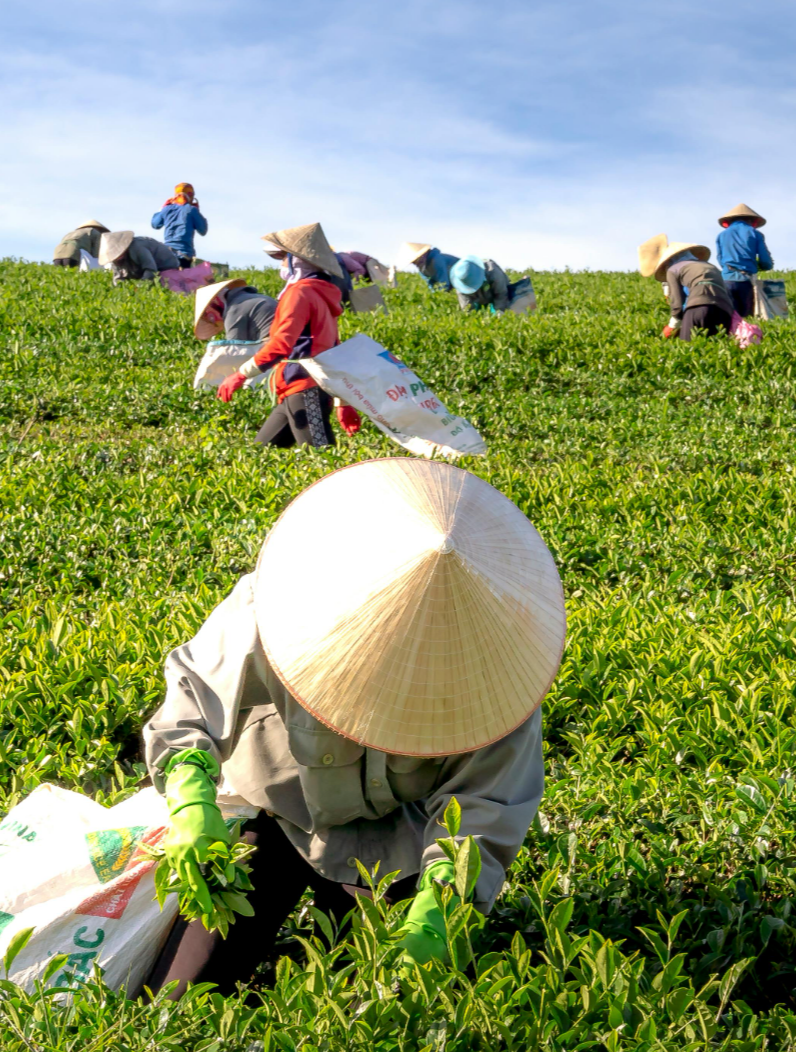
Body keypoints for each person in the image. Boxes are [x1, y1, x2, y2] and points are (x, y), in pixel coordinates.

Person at [140, 455, 565, 994]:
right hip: (276, 809)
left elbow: (483, 810)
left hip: (397, 838)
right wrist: (191, 798)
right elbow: (193, 700)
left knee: (390, 1005)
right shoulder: (273, 603)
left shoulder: (503, 681)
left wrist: (441, 901)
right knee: (178, 996)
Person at [216, 224, 361, 448]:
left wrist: (240, 374)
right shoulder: (321, 294)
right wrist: (343, 402)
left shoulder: (300, 293)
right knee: (261, 452)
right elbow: (334, 350)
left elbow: (282, 344)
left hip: (306, 388)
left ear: (298, 261)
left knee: (322, 458)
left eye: (285, 258)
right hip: (296, 389)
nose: (283, 265)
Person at [638, 233, 735, 339]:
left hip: (698, 308)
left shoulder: (673, 269)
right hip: (725, 311)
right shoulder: (710, 266)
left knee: (688, 347)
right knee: (716, 348)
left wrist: (672, 326)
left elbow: (677, 304)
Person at [713, 203, 774, 318]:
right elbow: (765, 261)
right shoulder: (755, 233)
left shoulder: (721, 235)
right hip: (745, 281)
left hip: (726, 280)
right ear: (751, 220)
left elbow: (720, 259)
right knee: (745, 317)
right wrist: (763, 266)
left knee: (731, 317)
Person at [193, 278, 279, 346]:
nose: (213, 321)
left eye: (206, 315)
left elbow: (234, 351)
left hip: (274, 350)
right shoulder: (252, 297)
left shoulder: (234, 310)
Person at [151, 184, 208, 267]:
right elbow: (203, 230)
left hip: (167, 254)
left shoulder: (167, 209)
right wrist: (197, 213)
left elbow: (155, 224)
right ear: (190, 195)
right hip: (185, 256)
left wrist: (162, 208)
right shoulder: (192, 210)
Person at [98, 229, 182, 283]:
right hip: (142, 273)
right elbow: (117, 278)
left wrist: (139, 287)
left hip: (167, 268)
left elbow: (151, 270)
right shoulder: (116, 260)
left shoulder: (137, 247)